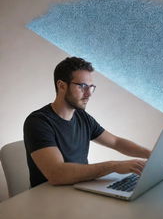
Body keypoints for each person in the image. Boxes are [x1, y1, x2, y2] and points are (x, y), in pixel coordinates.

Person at [24, 57, 151, 188]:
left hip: (79, 189)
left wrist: (151, 154)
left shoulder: (82, 116)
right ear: (61, 86)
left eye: (91, 87)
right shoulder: (38, 122)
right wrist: (114, 166)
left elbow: (116, 142)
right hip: (49, 198)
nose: (88, 94)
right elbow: (57, 174)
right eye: (83, 86)